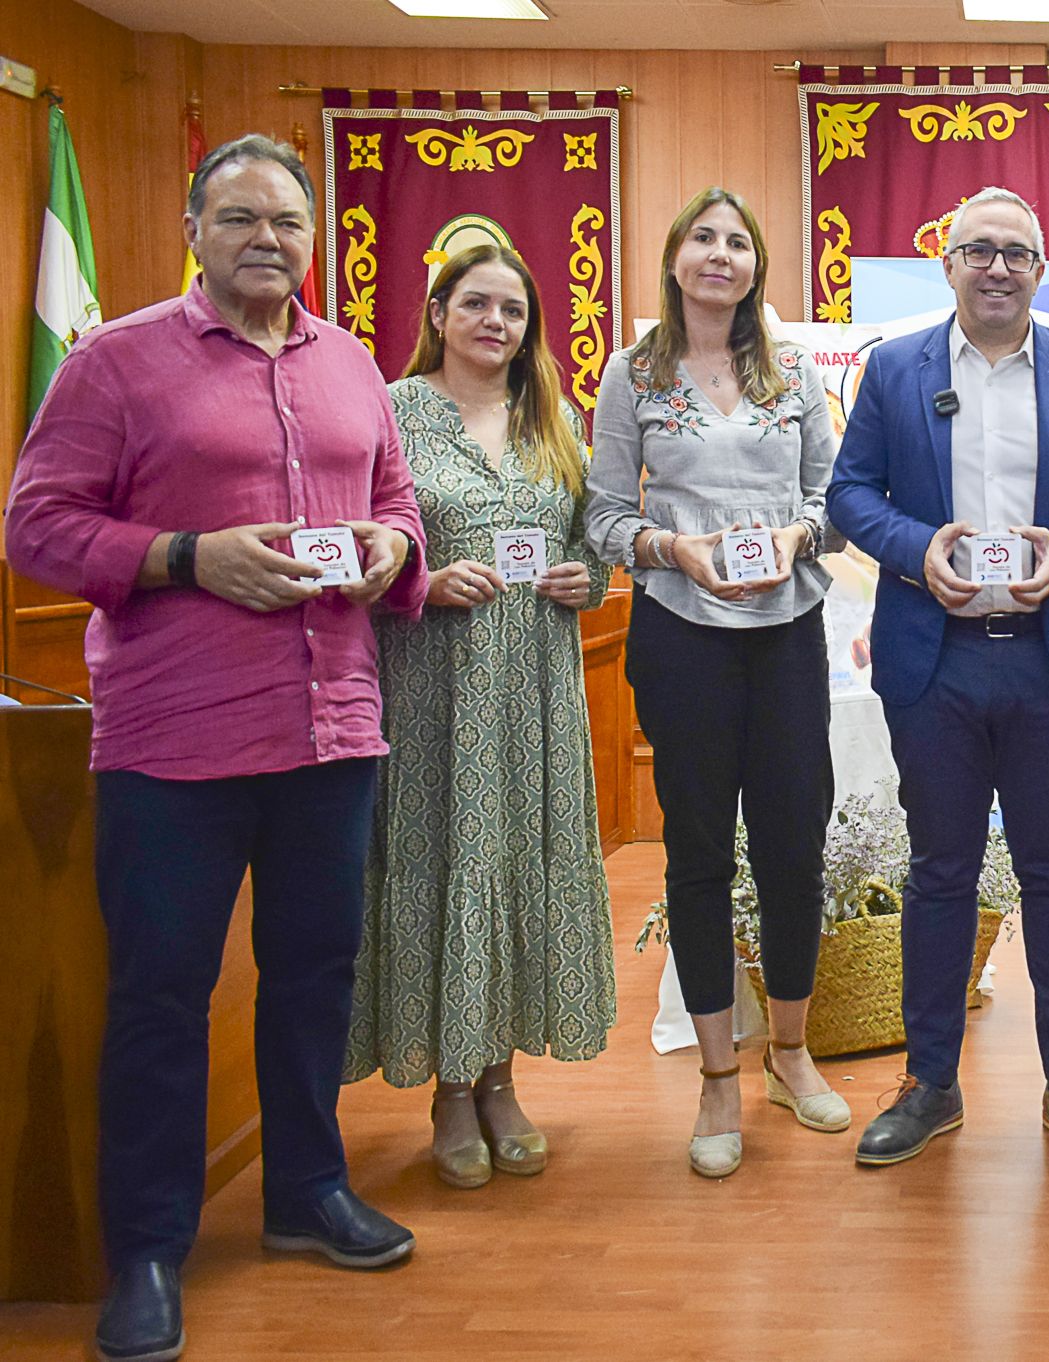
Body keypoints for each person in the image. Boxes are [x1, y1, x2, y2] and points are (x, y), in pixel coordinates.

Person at [6, 134, 427, 1362]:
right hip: (171, 742)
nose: (268, 240)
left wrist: (395, 548)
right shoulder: (115, 361)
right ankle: (145, 1248)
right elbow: (35, 525)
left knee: (314, 978)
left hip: (331, 726)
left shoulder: (350, 362)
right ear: (193, 228)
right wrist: (187, 556)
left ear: (312, 238)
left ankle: (305, 1192)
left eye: (288, 222)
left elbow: (393, 500)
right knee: (159, 997)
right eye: (240, 218)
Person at [826, 186, 1049, 1173]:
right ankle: (929, 1083)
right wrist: (915, 547)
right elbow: (849, 494)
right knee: (938, 873)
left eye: (1017, 252)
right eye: (980, 250)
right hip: (933, 664)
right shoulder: (893, 371)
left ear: (1040, 270)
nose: (999, 267)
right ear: (948, 264)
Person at [342, 244, 617, 1189]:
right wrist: (418, 584)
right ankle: (450, 1092)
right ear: (439, 310)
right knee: (443, 862)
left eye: (512, 309)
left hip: (537, 687)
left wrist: (591, 579)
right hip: (434, 691)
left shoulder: (555, 419)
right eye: (476, 304)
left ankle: (502, 1080)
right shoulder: (390, 409)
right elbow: (357, 549)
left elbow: (593, 545)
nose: (495, 323)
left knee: (516, 865)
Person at [585, 187, 847, 1180]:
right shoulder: (632, 375)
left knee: (792, 848)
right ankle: (714, 1076)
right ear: (675, 255)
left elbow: (837, 501)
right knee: (696, 855)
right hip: (681, 633)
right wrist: (668, 549)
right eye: (703, 237)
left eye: (738, 241)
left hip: (786, 632)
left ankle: (787, 1053)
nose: (720, 255)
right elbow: (603, 515)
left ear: (755, 266)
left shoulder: (794, 373)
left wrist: (793, 535)